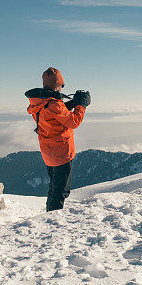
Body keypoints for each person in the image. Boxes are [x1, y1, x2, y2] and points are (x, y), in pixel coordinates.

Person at [25, 67, 91, 211]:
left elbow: (53, 115)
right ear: (58, 84)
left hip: (48, 153)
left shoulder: (39, 102)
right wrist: (81, 106)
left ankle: (50, 215)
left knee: (54, 188)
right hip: (61, 153)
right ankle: (53, 221)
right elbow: (73, 122)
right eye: (62, 85)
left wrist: (72, 104)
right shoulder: (55, 104)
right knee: (60, 192)